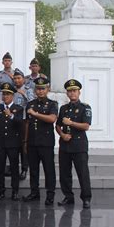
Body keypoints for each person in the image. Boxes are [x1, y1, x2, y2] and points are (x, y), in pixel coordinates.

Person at [56, 79, 92, 209]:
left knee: (83, 173)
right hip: (65, 145)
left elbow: (86, 126)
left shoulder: (85, 107)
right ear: (67, 93)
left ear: (79, 92)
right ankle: (68, 196)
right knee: (64, 173)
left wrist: (71, 123)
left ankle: (86, 198)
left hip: (79, 145)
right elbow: (58, 125)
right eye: (69, 91)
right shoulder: (63, 108)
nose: (72, 93)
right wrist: (62, 134)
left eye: (74, 91)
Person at [22, 77, 58, 206]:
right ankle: (34, 192)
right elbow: (27, 123)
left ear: (47, 89)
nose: (40, 91)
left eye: (43, 88)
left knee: (49, 170)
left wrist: (36, 114)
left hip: (46, 143)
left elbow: (52, 119)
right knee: (34, 169)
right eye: (38, 88)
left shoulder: (52, 104)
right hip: (32, 141)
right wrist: (25, 141)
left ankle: (50, 194)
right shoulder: (31, 104)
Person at [0, 83, 23, 201]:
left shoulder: (18, 108)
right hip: (0, 143)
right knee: (0, 168)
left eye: (8, 94)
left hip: (13, 143)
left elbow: (20, 124)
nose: (5, 96)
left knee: (14, 168)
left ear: (12, 96)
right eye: (4, 94)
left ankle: (15, 191)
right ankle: (1, 191)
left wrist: (11, 116)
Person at [12, 68, 35, 180]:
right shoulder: (11, 89)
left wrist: (24, 94)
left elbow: (32, 103)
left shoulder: (28, 90)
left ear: (23, 79)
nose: (16, 80)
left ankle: (24, 169)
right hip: (12, 121)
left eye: (19, 78)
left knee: (23, 146)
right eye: (15, 78)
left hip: (24, 122)